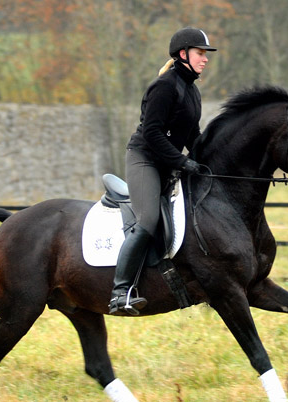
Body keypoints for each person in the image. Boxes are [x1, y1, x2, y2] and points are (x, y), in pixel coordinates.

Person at [108, 27, 217, 315]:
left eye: (206, 54)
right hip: (144, 158)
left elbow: (193, 134)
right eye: (200, 53)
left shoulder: (192, 91)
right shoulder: (165, 86)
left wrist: (207, 161)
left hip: (167, 161)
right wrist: (182, 162)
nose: (205, 59)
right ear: (183, 54)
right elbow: (153, 134)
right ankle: (120, 292)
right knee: (147, 220)